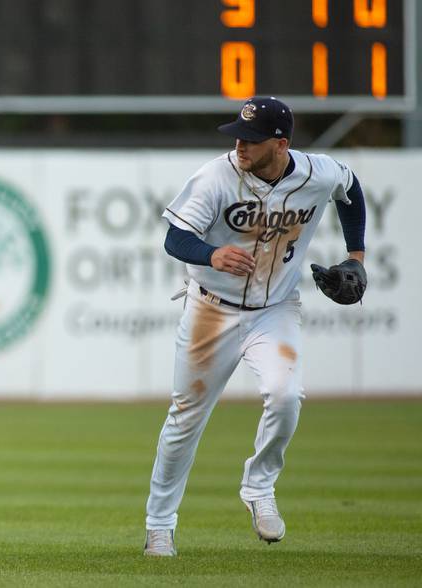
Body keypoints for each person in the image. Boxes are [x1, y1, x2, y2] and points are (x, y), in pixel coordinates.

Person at [143, 96, 366, 556]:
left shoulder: (316, 172)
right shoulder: (215, 177)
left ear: (281, 144)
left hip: (275, 308)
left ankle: (258, 487)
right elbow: (174, 236)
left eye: (252, 138)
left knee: (286, 397)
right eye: (238, 136)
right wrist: (211, 254)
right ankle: (159, 525)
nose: (241, 145)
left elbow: (351, 186)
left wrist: (356, 256)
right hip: (210, 309)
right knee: (184, 420)